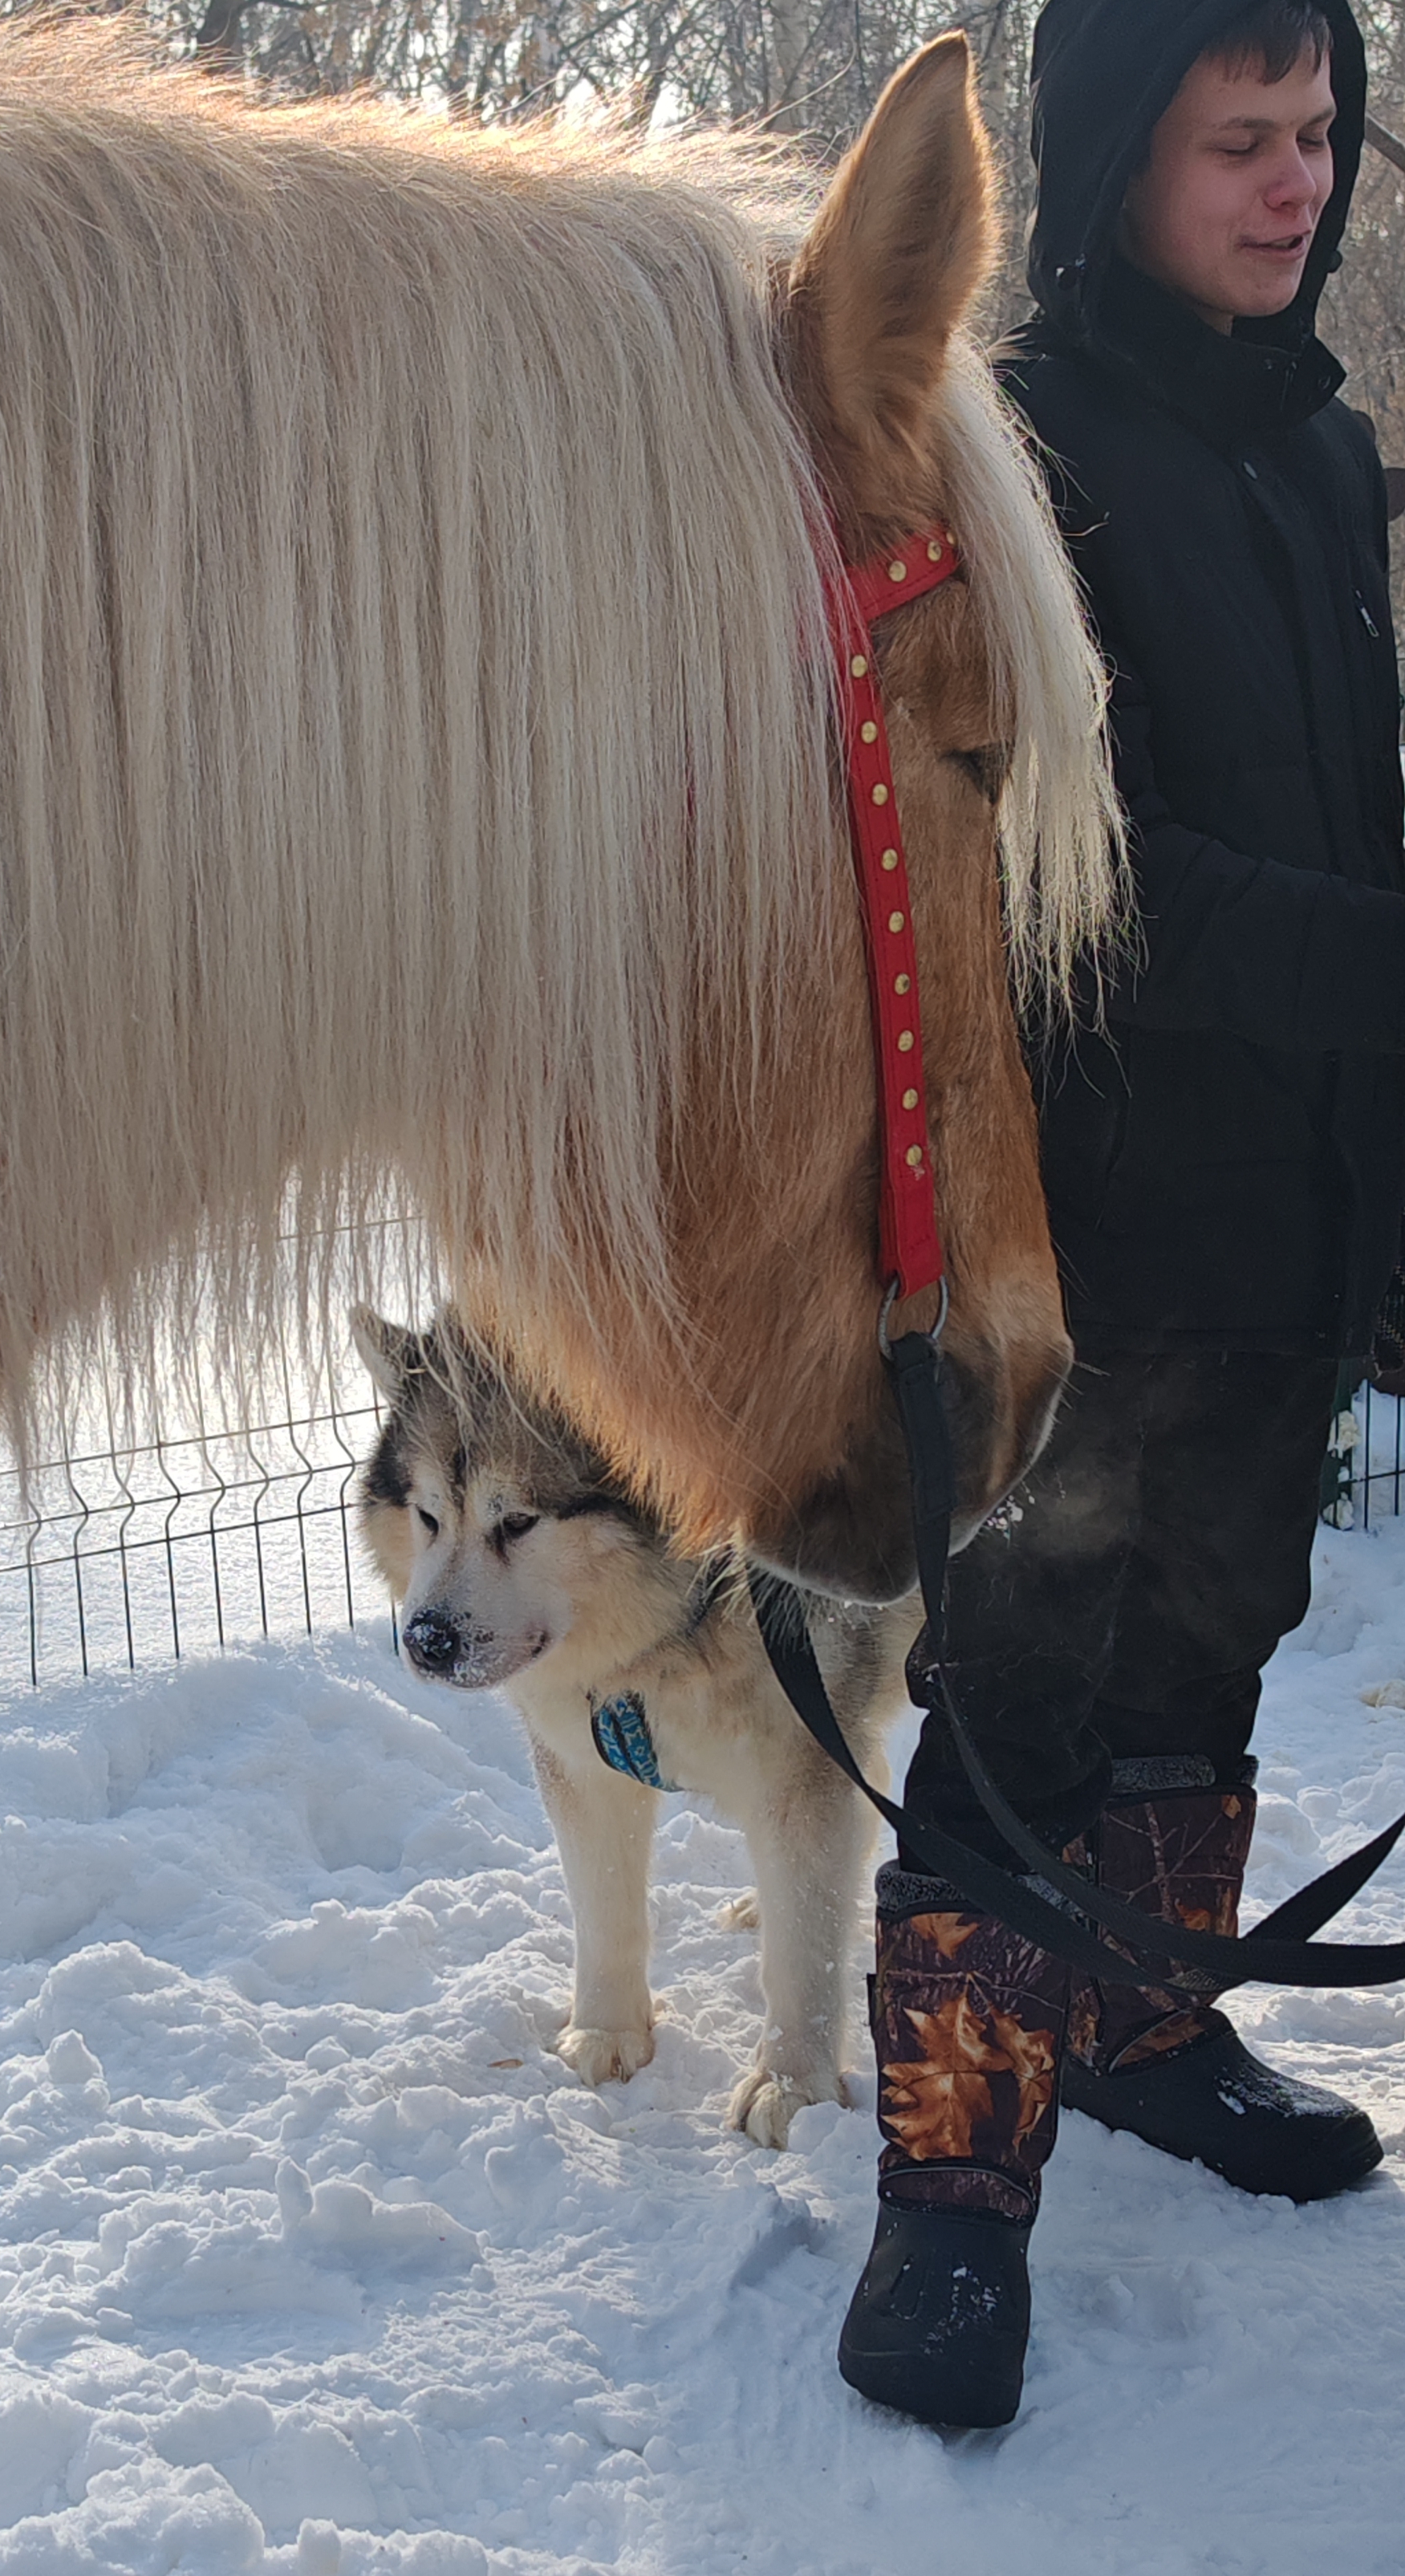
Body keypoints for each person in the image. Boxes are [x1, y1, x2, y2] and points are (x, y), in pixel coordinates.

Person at [838, 0, 1405, 2432]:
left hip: (1292, 1211)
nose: (1293, 189)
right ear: (1109, 160)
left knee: (1211, 1647)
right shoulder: (1024, 445)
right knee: (1027, 1689)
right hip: (1077, 1231)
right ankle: (953, 2188)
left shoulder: (1320, 446)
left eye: (1319, 136)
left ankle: (1152, 2036)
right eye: (1238, 143)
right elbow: (1082, 882)